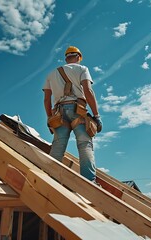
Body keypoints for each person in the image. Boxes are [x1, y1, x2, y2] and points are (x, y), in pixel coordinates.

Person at [42, 46, 102, 183]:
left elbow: (46, 99)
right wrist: (97, 116)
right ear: (78, 57)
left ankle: (50, 179)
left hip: (58, 113)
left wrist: (49, 118)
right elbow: (88, 91)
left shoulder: (51, 74)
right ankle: (89, 182)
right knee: (84, 145)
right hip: (78, 111)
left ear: (66, 58)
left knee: (58, 146)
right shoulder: (82, 69)